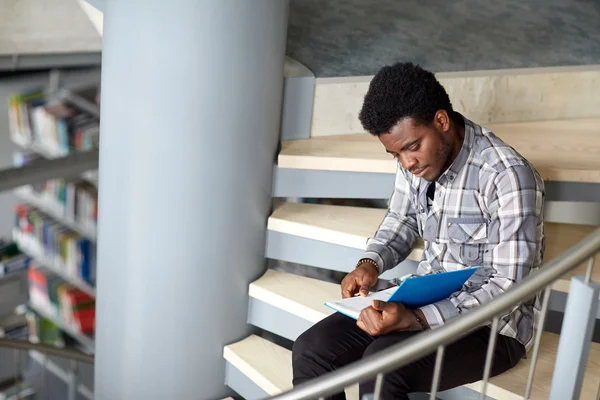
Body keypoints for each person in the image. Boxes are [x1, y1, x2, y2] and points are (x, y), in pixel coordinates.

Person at [291, 62, 545, 399]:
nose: (406, 163)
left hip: (493, 327)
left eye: (411, 147)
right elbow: (403, 218)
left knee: (382, 366)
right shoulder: (415, 161)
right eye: (395, 154)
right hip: (420, 299)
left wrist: (416, 319)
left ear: (441, 121)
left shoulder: (505, 175)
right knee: (311, 351)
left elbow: (509, 288)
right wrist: (371, 264)